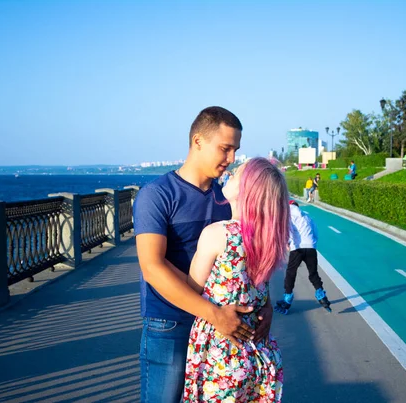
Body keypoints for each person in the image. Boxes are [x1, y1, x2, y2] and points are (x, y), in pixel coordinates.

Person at [134, 106, 273, 402]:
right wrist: (213, 313)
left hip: (218, 328)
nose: (232, 159)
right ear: (198, 141)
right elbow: (152, 267)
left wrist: (267, 305)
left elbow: (253, 254)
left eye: (235, 150)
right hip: (170, 322)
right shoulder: (157, 195)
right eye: (225, 149)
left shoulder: (229, 198)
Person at [182, 157, 288, 402]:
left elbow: (191, 288)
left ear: (246, 191)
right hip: (260, 352)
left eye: (238, 173)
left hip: (222, 354)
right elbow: (262, 294)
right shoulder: (268, 238)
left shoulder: (217, 234)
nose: (229, 173)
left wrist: (159, 263)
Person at [274, 200, 330, 315]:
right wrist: (312, 244)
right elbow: (315, 232)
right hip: (311, 247)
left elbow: (287, 230)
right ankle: (321, 295)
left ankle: (287, 298)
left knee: (291, 272)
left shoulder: (288, 216)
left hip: (297, 248)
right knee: (313, 273)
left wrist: (287, 242)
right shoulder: (307, 216)